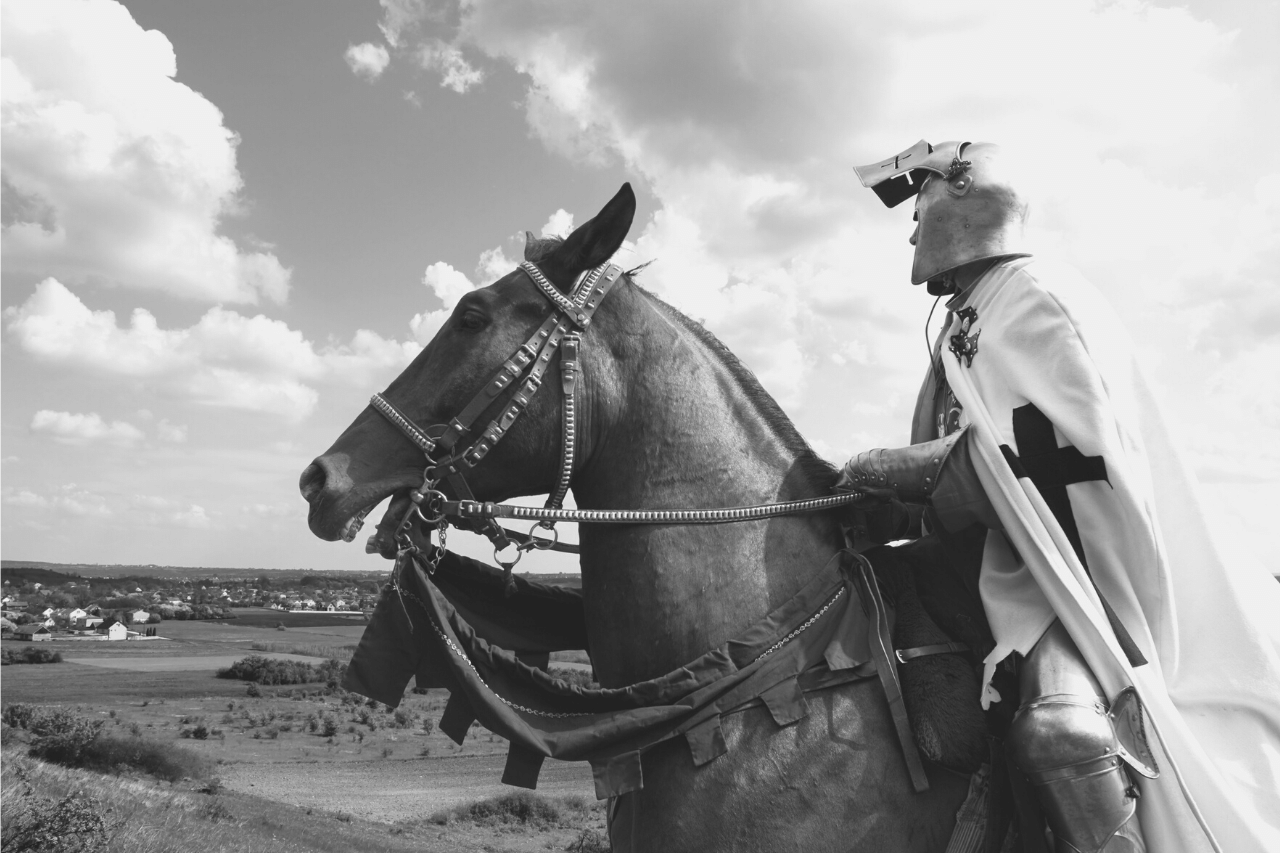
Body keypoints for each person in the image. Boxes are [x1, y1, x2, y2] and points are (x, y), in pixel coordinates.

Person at [840, 140, 1280, 853]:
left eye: (918, 210)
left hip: (1064, 573)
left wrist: (883, 469)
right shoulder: (967, 320)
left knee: (1060, 732)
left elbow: (1063, 459)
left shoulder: (1036, 296)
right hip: (995, 557)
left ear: (961, 204)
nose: (912, 230)